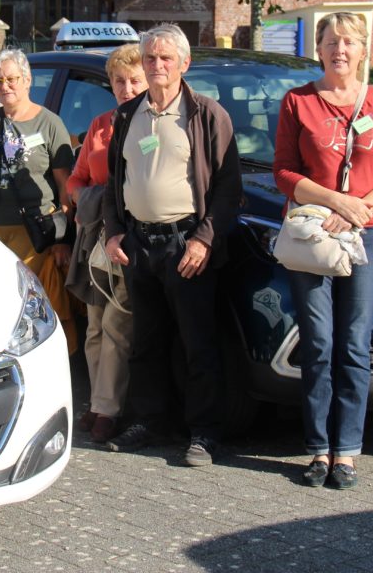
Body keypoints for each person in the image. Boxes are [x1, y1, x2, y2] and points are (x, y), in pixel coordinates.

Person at [272, 12, 373, 489]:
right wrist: (333, 201)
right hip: (313, 233)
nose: (340, 50)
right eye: (332, 41)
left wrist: (358, 210)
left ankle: (347, 452)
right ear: (319, 47)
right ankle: (316, 449)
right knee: (319, 342)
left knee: (354, 342)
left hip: (370, 233)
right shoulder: (298, 102)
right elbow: (284, 172)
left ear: (363, 48)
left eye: (349, 42)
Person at [101, 24, 241, 467]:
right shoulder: (127, 115)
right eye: (150, 58)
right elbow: (114, 182)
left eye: (165, 58)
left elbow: (227, 188)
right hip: (139, 243)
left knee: (197, 343)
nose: (157, 65)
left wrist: (204, 240)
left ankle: (204, 433)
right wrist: (114, 231)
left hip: (186, 244)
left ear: (184, 64)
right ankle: (151, 421)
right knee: (147, 342)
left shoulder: (206, 114)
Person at [0, 48, 78, 354]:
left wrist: (63, 239)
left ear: (27, 80)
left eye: (12, 79)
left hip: (33, 232)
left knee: (33, 301)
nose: (5, 86)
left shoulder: (50, 123)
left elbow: (66, 185)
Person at [65, 43, 146, 444]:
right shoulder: (100, 125)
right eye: (118, 81)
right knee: (95, 325)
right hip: (95, 237)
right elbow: (76, 179)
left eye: (134, 80)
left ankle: (108, 409)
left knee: (117, 323)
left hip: (131, 239)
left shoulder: (152, 126)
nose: (126, 88)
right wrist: (86, 198)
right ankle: (97, 404)